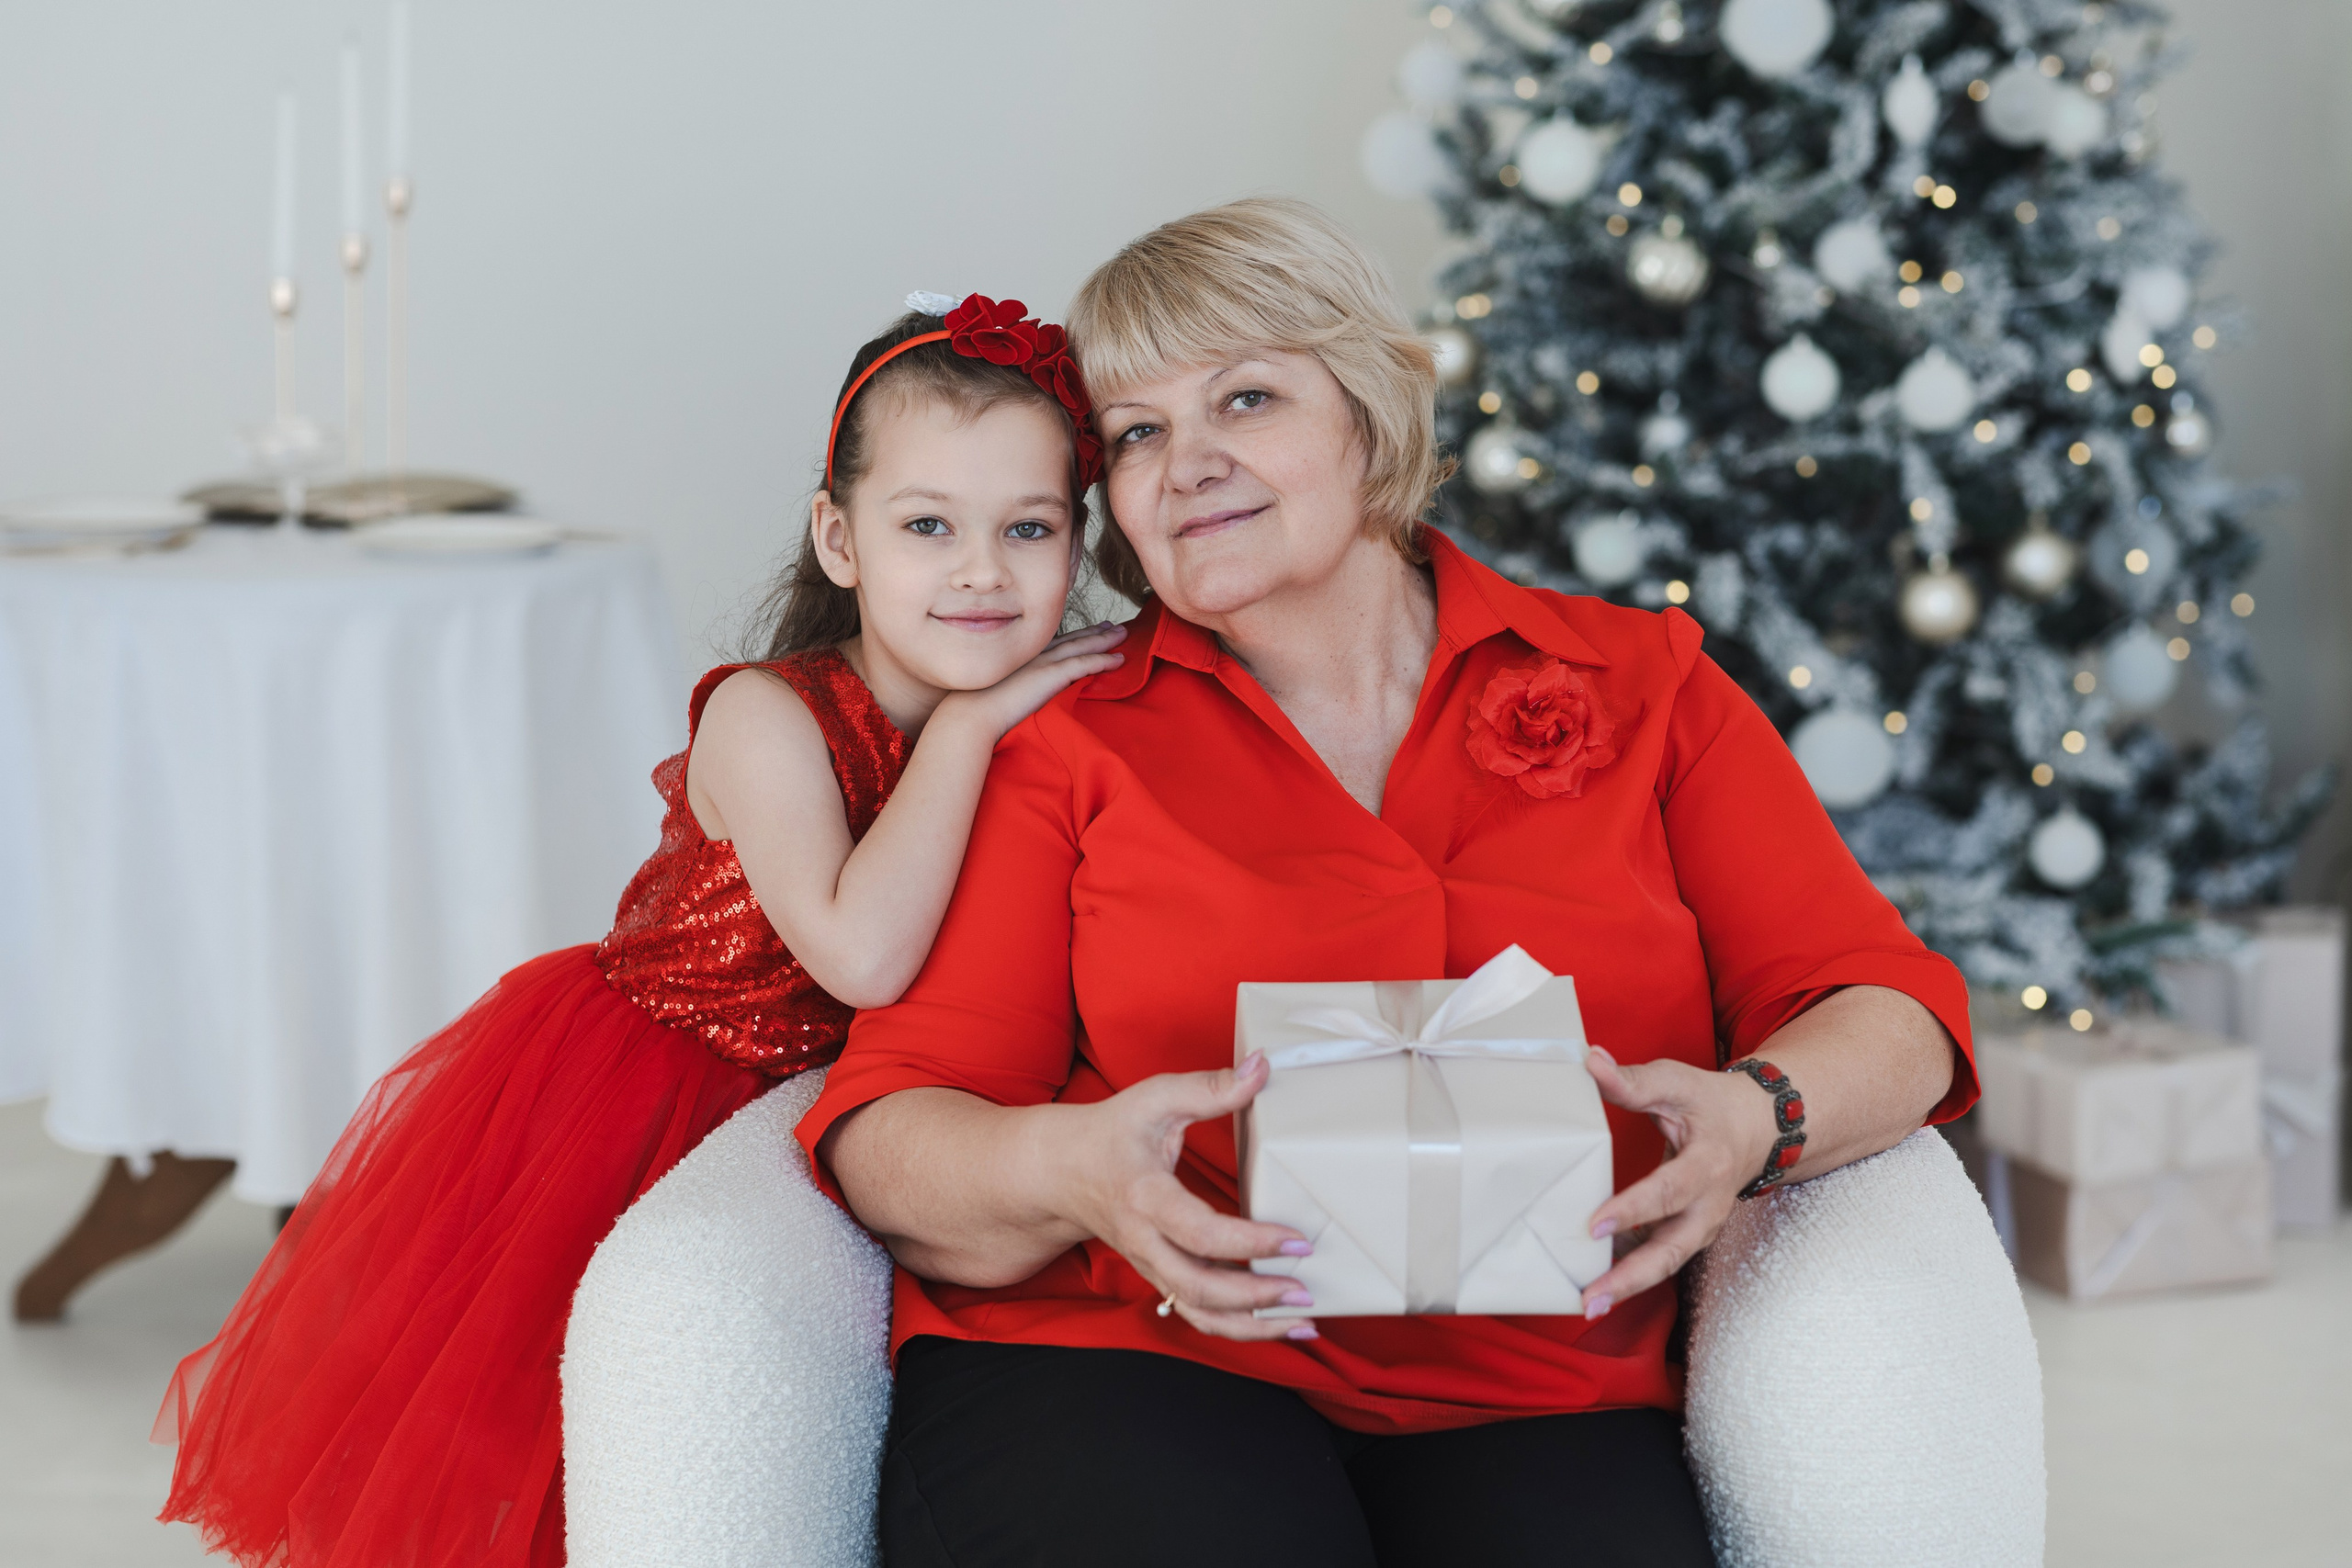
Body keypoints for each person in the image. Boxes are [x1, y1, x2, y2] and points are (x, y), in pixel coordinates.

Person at [803, 201, 1982, 1568]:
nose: (1190, 464)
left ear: (1369, 414)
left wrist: (1754, 1119)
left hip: (1543, 1389)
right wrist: (1069, 1171)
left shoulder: (1648, 690)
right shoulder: (1062, 738)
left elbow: (1887, 1004)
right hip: (1133, 1355)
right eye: (1137, 434)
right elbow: (890, 1134)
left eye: (1246, 397)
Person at [154, 292, 1124, 1568]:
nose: (982, 571)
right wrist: (965, 735)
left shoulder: (1034, 717)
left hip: (865, 1104)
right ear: (840, 538)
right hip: (653, 1086)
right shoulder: (770, 717)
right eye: (927, 525)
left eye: (1030, 528)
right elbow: (861, 953)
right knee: (551, 1469)